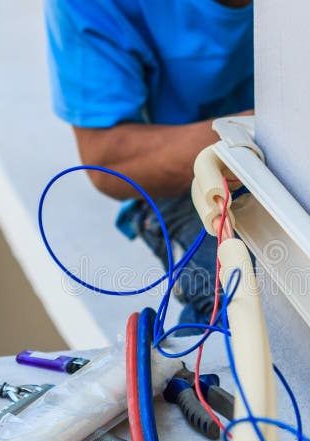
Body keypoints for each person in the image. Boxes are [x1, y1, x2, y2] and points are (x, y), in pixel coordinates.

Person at [45, 0, 254, 325]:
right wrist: (255, 131)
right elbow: (111, 161)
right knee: (248, 303)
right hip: (184, 183)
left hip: (308, 148)